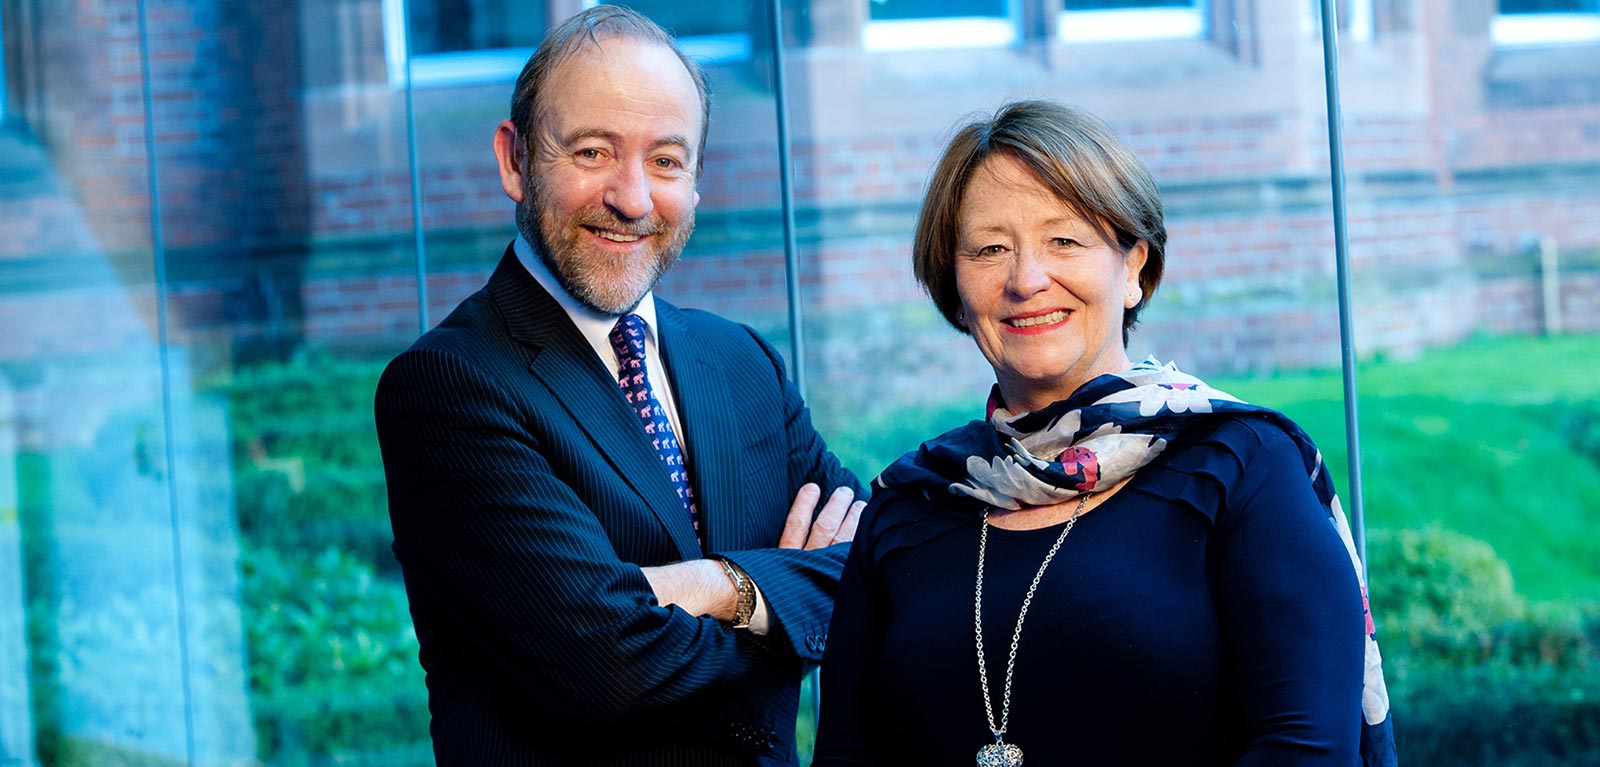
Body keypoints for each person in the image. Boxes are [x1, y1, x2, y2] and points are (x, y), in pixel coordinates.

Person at [812, 101, 1396, 766]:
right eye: (991, 248)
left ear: (1135, 269)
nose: (1026, 279)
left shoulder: (1240, 466)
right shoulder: (909, 503)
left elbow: (1305, 750)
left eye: (1065, 240)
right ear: (955, 280)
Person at [374, 7, 865, 765]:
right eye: (594, 151)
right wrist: (788, 620)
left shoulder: (742, 362)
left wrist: (713, 585)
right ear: (515, 161)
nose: (633, 198)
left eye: (667, 161)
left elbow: (881, 570)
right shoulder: (449, 387)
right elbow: (610, 666)